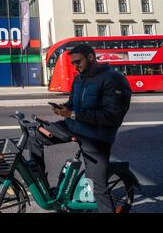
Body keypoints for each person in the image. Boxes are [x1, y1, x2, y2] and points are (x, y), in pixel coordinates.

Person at [28, 44, 132, 213]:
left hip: (96, 137)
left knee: (99, 188)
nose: (75, 66)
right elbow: (72, 104)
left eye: (78, 62)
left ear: (91, 57)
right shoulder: (79, 78)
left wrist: (73, 114)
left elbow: (111, 117)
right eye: (73, 63)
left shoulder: (112, 79)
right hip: (73, 127)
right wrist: (62, 108)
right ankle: (43, 188)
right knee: (34, 136)